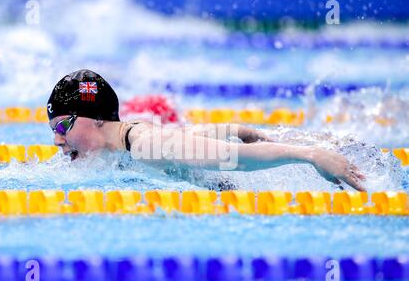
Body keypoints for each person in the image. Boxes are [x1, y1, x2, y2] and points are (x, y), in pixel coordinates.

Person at [47, 69, 366, 191]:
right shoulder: (129, 137)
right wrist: (231, 128)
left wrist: (310, 156)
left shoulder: (144, 145)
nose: (57, 140)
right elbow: (182, 140)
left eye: (63, 125)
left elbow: (235, 158)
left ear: (97, 118)